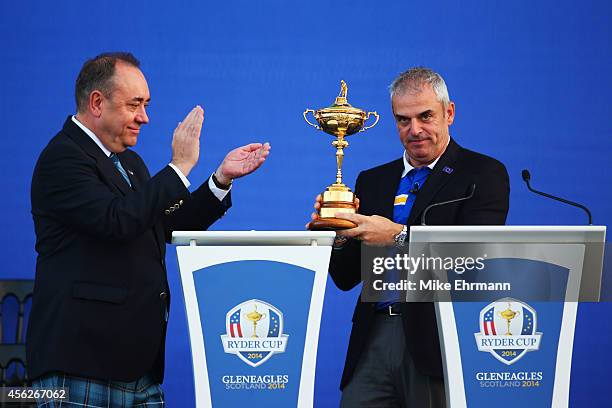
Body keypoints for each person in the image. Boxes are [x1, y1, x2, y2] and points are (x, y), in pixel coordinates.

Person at [27, 52, 270, 407]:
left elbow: (165, 224)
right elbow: (117, 221)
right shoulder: (62, 158)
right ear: (97, 102)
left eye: (146, 104)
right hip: (81, 363)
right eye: (135, 104)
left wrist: (220, 179)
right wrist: (179, 167)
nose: (145, 116)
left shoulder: (130, 162)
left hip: (139, 368)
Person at [308, 67, 509, 407]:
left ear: (449, 113)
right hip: (373, 337)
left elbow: (473, 261)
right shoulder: (373, 180)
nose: (414, 130)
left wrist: (398, 236)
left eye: (425, 116)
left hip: (438, 339)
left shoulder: (482, 174)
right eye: (403, 120)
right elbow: (345, 277)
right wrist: (337, 236)